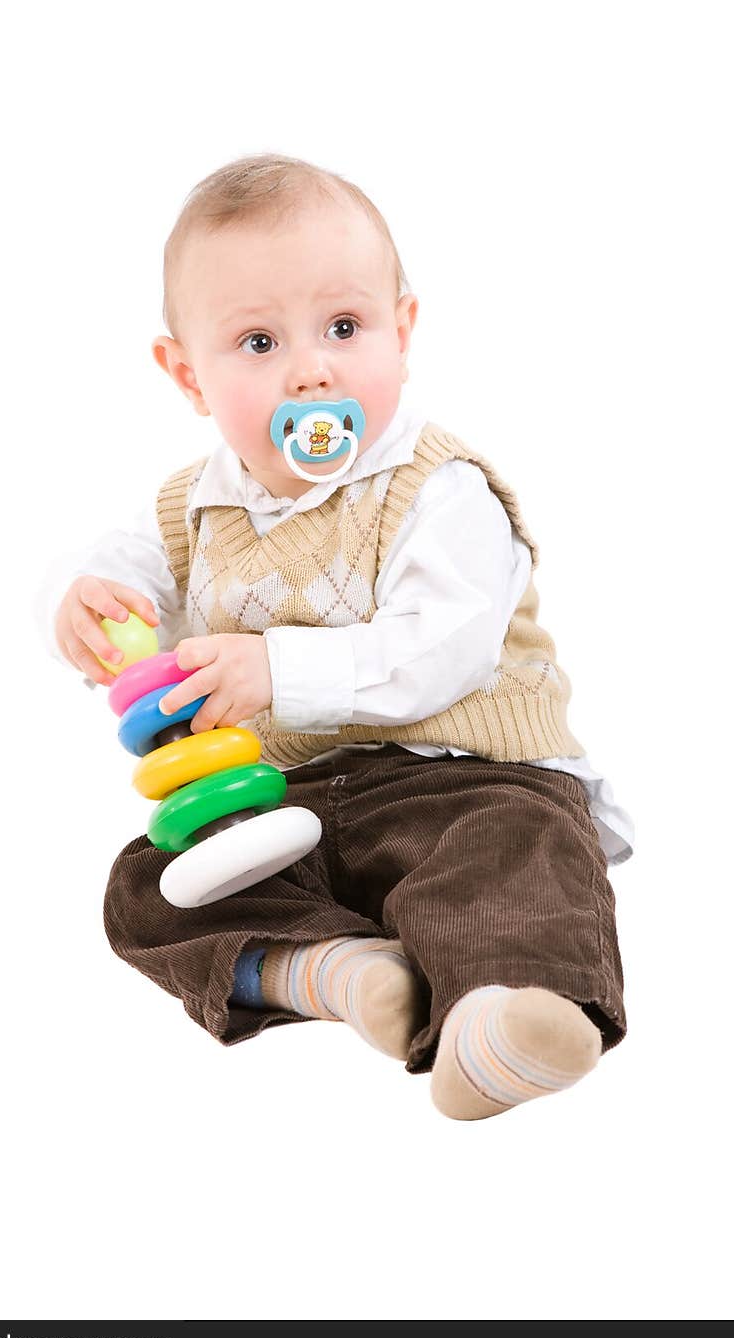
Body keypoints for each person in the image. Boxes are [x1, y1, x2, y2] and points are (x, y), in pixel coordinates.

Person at [36, 153, 634, 1122]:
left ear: (402, 331)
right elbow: (125, 563)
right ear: (188, 374)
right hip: (287, 799)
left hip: (458, 775)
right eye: (259, 342)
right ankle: (338, 971)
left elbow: (441, 649)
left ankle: (504, 1011)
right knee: (149, 887)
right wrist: (81, 598)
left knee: (512, 854)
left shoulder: (440, 491)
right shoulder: (196, 503)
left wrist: (275, 669)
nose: (312, 368)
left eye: (344, 328)